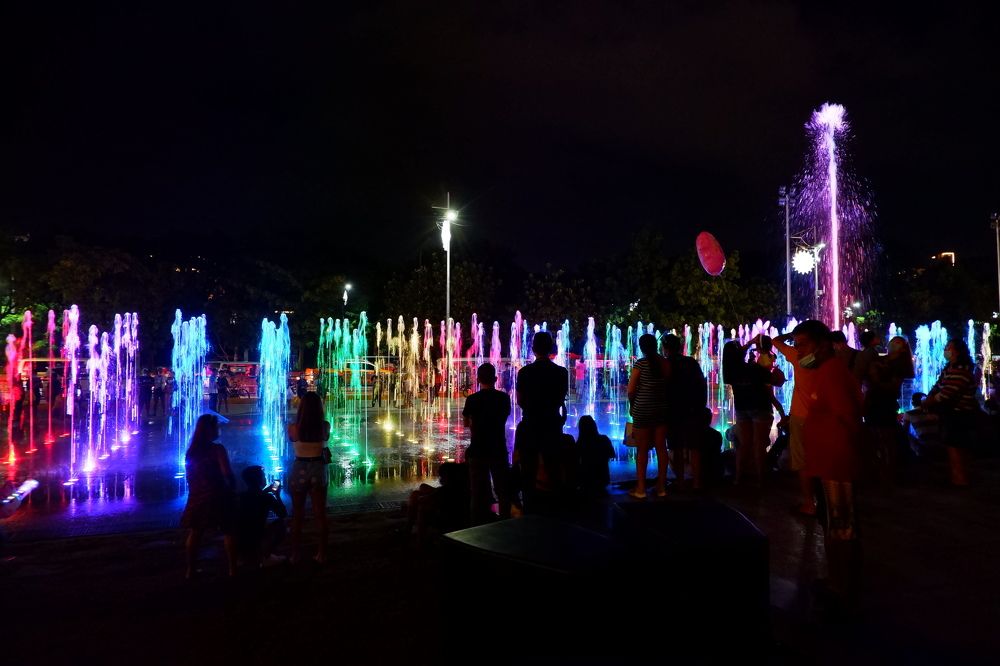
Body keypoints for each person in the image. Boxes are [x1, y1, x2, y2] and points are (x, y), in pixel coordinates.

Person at [792, 320, 864, 616]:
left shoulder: (832, 373)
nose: (798, 353)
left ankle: (841, 588)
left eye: (802, 346)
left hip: (836, 462)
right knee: (834, 525)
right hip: (827, 461)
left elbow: (847, 415)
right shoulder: (824, 371)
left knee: (840, 526)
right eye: (796, 346)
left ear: (822, 345)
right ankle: (838, 581)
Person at [514, 332, 569, 512]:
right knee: (553, 465)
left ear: (533, 349)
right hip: (552, 423)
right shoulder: (561, 372)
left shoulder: (524, 372)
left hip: (530, 423)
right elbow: (561, 397)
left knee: (528, 468)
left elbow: (520, 400)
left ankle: (530, 507)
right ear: (550, 348)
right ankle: (556, 507)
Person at [723, 336, 785, 488]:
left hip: (742, 409)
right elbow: (777, 381)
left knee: (744, 445)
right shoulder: (754, 368)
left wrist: (749, 345)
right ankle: (760, 480)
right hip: (760, 408)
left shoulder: (730, 372)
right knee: (759, 445)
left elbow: (736, 356)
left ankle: (738, 478)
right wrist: (776, 370)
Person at [180, 414, 237, 578]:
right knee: (229, 530)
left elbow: (190, 475)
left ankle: (190, 570)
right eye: (217, 427)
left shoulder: (191, 452)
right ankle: (232, 569)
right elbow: (227, 473)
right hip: (218, 494)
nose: (219, 429)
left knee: (196, 532)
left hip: (198, 495)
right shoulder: (217, 449)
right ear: (210, 430)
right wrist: (232, 488)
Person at [773, 332, 820, 515]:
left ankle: (809, 503)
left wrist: (791, 334)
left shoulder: (798, 358)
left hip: (801, 417)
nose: (798, 348)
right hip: (819, 417)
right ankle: (825, 500)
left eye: (802, 343)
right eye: (797, 343)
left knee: (802, 461)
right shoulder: (828, 362)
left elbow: (776, 341)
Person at [462, 363, 512, 524]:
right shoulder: (504, 398)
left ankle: (476, 526)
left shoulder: (472, 399)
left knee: (477, 493)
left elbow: (465, 423)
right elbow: (504, 418)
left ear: (478, 380)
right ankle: (505, 524)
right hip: (498, 448)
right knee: (503, 490)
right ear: (496, 379)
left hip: (477, 449)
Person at [925, 338, 978, 486]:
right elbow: (938, 385)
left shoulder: (961, 370)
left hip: (960, 414)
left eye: (949, 347)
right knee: (953, 447)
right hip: (952, 414)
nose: (946, 350)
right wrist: (931, 396)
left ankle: (960, 480)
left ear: (957, 351)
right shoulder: (950, 368)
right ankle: (958, 477)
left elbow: (947, 393)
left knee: (956, 447)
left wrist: (931, 400)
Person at [287, 392, 332, 563]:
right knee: (320, 515)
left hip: (299, 469)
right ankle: (321, 553)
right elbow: (326, 438)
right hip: (317, 469)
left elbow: (292, 440)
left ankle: (295, 554)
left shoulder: (293, 428)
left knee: (297, 515)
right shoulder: (324, 426)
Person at [627, 334, 671, 498]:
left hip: (643, 409)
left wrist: (632, 406)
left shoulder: (640, 363)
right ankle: (661, 488)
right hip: (661, 409)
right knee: (661, 448)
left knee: (642, 450)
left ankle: (640, 489)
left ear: (642, 347)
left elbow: (631, 390)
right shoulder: (665, 363)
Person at [661, 334, 708, 489]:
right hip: (693, 410)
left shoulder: (666, 364)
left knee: (677, 447)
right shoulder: (691, 362)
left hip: (673, 412)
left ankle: (680, 481)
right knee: (694, 447)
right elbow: (702, 384)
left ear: (665, 348)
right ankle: (696, 482)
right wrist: (701, 406)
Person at [407, 462, 470, 546]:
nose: (440, 478)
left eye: (441, 476)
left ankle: (417, 537)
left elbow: (424, 500)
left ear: (447, 477)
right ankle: (409, 527)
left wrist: (418, 498)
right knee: (422, 487)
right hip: (454, 513)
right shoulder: (461, 487)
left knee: (420, 504)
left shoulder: (445, 490)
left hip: (446, 519)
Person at [236, 466, 288, 567]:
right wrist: (277, 495)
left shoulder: (240, 496)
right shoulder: (267, 497)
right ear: (258, 479)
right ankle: (265, 556)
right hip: (258, 536)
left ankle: (242, 557)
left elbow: (254, 498)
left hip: (240, 539)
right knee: (281, 524)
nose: (265, 478)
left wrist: (264, 491)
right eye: (263, 476)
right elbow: (283, 514)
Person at [577, 415, 615, 497]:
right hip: (603, 480)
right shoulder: (604, 439)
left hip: (586, 481)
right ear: (594, 425)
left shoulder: (580, 444)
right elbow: (612, 454)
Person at [901, 393, 942, 457]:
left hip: (923, 447)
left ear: (912, 403)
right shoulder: (936, 412)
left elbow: (904, 432)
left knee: (907, 434)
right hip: (940, 445)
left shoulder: (909, 413)